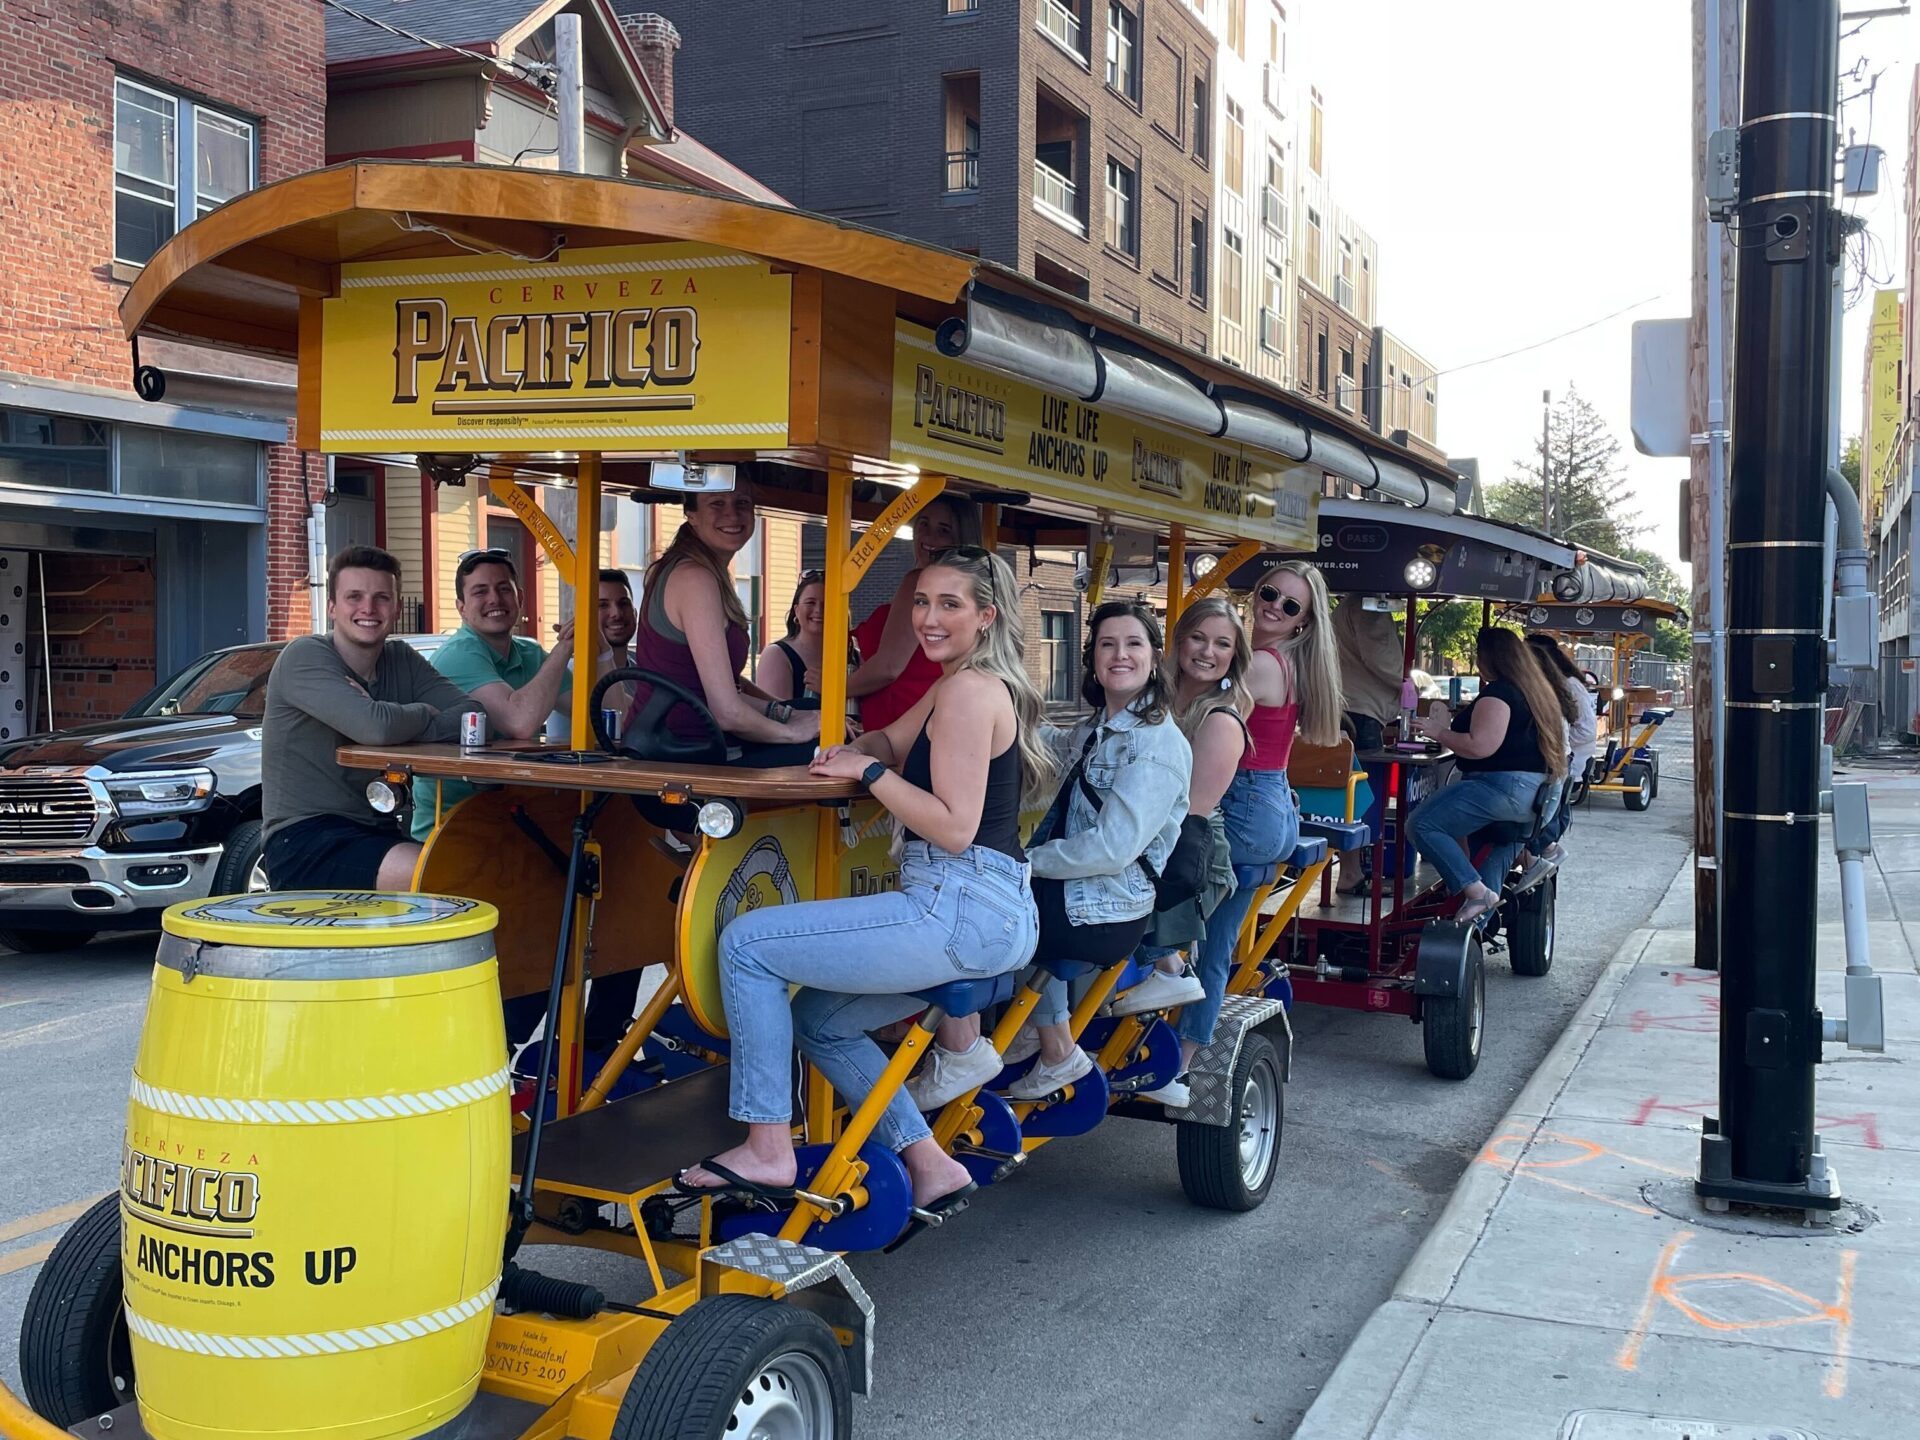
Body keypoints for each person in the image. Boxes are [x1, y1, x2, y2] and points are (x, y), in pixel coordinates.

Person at [673, 547, 1051, 1222]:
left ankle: (766, 1147)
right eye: (922, 603)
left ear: (987, 617)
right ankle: (929, 1162)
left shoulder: (968, 691)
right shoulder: (961, 682)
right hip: (984, 908)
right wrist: (856, 752)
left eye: (950, 605)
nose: (929, 618)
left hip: (956, 901)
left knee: (746, 944)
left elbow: (954, 827)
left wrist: (870, 776)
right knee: (818, 1020)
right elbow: (891, 740)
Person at [909, 601, 1193, 1108]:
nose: (1119, 655)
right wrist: (983, 714)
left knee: (973, 913)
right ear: (1093, 658)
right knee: (992, 898)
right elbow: (1049, 746)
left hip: (1105, 908)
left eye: (1133, 644)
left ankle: (988, 1052)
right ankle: (1038, 1036)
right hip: (1080, 896)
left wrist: (1023, 862)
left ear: (1154, 657)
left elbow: (1111, 848)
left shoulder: (1156, 744)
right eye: (1107, 645)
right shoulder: (1099, 728)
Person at [1177, 561, 1343, 1061]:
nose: (1275, 606)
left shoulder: (1263, 664)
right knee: (1218, 937)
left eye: (1291, 605)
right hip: (1269, 801)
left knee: (1186, 921)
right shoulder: (1286, 660)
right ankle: (1184, 1048)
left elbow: (1205, 724)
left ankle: (1183, 1048)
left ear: (1304, 621)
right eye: (1270, 593)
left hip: (1246, 801)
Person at [262, 545, 479, 891]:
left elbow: (475, 718)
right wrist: (422, 711)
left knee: (493, 856)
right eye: (354, 597)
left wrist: (394, 720)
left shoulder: (400, 659)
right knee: (445, 871)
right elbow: (374, 728)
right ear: (332, 607)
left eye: (381, 598)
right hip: (305, 839)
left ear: (396, 609)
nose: (368, 608)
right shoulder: (304, 655)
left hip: (378, 829)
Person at [1107, 596, 1252, 1105]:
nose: (1207, 652)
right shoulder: (1156, 700)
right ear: (1179, 639)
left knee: (1208, 949)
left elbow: (1190, 816)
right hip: (1144, 836)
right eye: (1198, 638)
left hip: (1188, 853)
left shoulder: (1220, 721)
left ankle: (1177, 1060)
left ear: (1235, 657)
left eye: (1222, 644)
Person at [625, 485, 820, 765]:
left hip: (687, 741)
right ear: (691, 514)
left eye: (742, 502)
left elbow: (711, 689)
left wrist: (787, 713)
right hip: (684, 751)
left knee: (811, 710)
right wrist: (793, 732)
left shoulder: (688, 569)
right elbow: (727, 713)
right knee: (832, 749)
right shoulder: (695, 578)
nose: (732, 514)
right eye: (717, 503)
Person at [410, 548, 574, 842]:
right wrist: (565, 648)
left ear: (520, 598)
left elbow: (606, 713)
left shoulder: (531, 653)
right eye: (480, 592)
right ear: (461, 608)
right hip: (451, 829)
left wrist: (598, 651)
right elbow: (520, 722)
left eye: (503, 589)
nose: (494, 600)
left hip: (516, 818)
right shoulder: (459, 654)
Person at [1410, 627, 1569, 924]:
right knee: (1490, 852)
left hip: (1501, 786)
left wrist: (1439, 732)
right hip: (1536, 796)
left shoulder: (1499, 693)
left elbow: (1480, 746)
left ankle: (1475, 892)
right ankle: (1473, 931)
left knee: (1423, 824)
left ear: (1490, 657)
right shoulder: (1535, 692)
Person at [846, 496, 977, 730]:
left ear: (960, 539)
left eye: (943, 530)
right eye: (923, 524)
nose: (929, 537)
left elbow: (887, 668)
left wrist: (830, 688)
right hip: (928, 717)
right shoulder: (972, 585)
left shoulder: (917, 583)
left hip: (899, 719)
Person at [1331, 596, 1405, 893]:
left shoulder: (1350, 605)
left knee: (1349, 793)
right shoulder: (1369, 604)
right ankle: (1351, 871)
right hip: (1362, 711)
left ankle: (1351, 869)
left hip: (1349, 705)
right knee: (1360, 795)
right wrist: (1410, 680)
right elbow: (1381, 657)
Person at [1523, 633, 1596, 863]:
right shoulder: (1550, 686)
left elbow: (1586, 731)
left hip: (1565, 767)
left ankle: (1540, 852)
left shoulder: (1569, 685)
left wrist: (1551, 740)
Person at [755, 569, 828, 705]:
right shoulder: (777, 655)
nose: (819, 610)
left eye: (827, 603)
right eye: (810, 603)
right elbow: (775, 717)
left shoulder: (855, 657)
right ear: (796, 610)